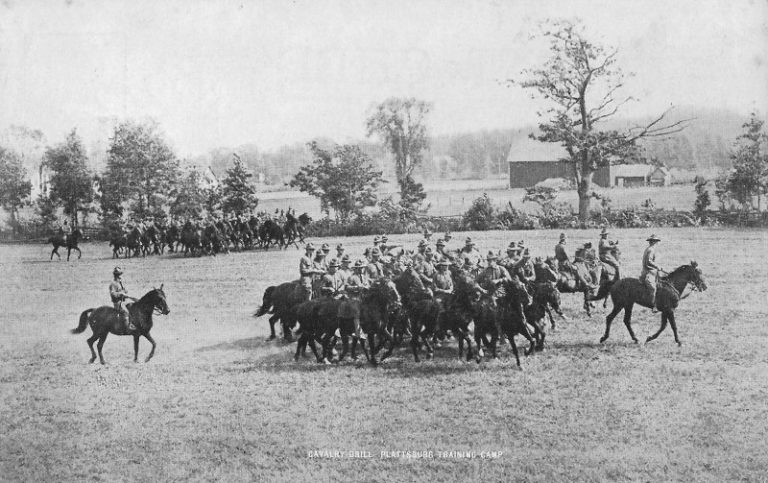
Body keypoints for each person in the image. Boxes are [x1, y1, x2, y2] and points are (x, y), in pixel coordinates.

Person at [641, 234, 663, 312]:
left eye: (657, 241)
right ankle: (654, 306)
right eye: (656, 241)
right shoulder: (650, 250)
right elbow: (649, 262)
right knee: (653, 288)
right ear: (652, 242)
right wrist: (657, 266)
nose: (657, 243)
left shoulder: (650, 249)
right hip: (648, 273)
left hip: (652, 272)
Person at [109, 267, 136, 332]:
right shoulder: (113, 284)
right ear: (115, 276)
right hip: (117, 302)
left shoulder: (121, 282)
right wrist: (120, 294)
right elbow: (112, 294)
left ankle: (133, 323)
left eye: (119, 275)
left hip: (124, 301)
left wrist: (125, 290)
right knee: (125, 311)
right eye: (117, 275)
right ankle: (127, 326)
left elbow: (126, 290)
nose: (119, 276)